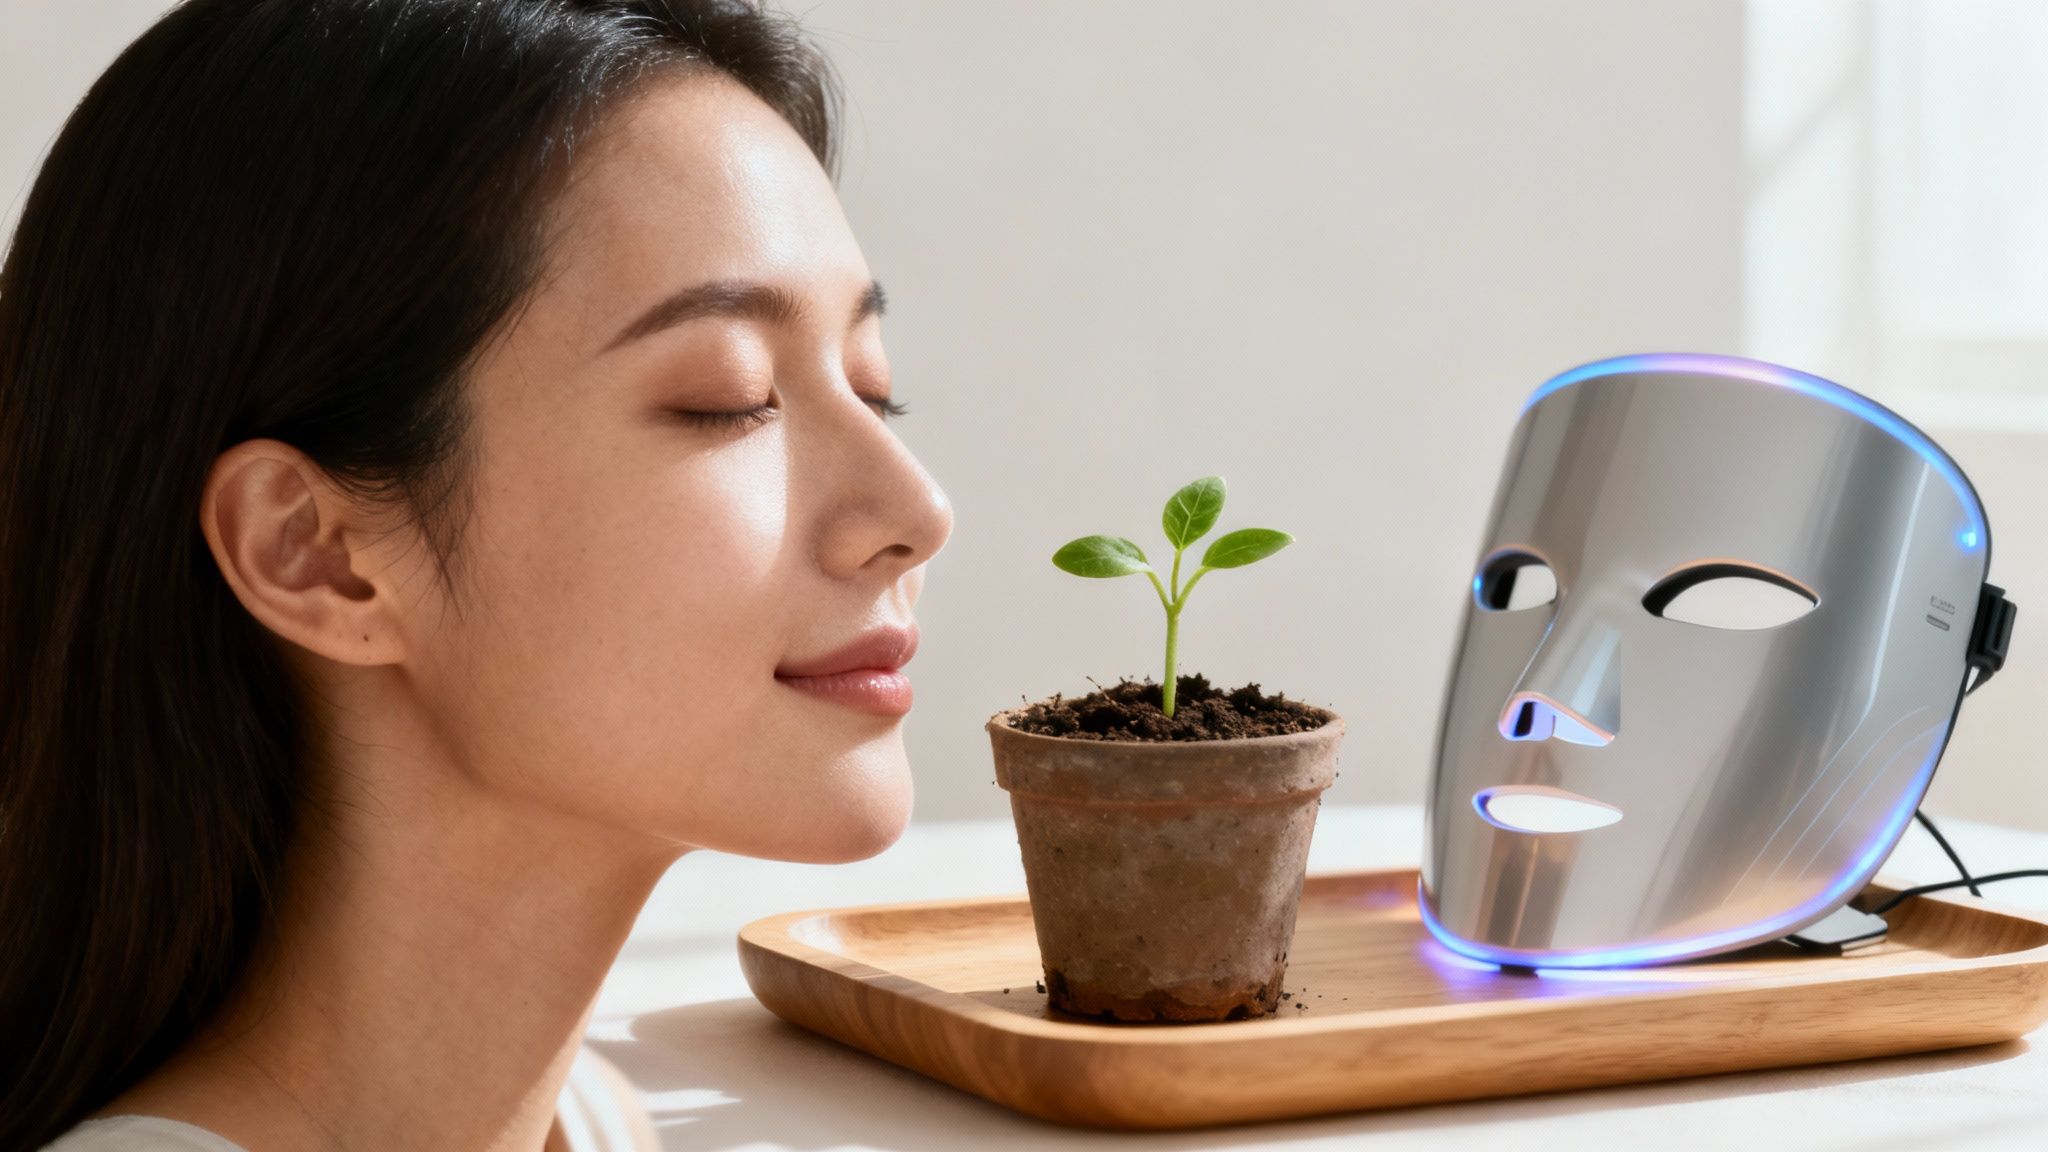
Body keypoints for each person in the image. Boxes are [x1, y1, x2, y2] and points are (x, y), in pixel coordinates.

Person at [0, 1, 954, 1148]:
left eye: (870, 382)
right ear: (316, 553)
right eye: (729, 398)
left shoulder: (594, 1120)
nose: (914, 513)